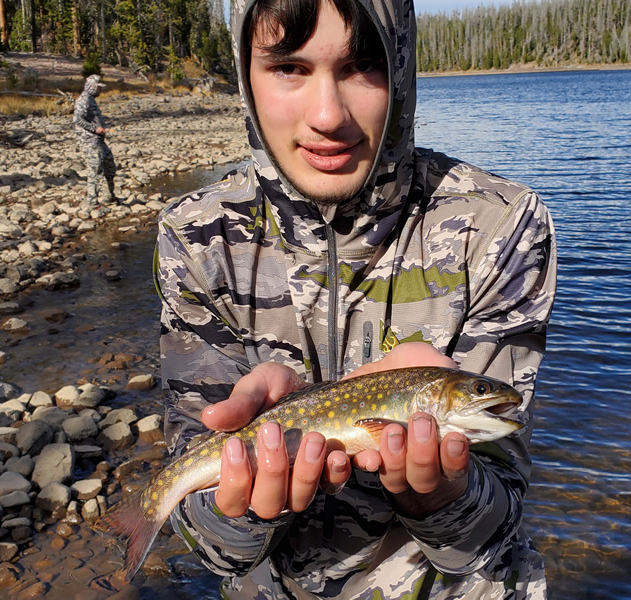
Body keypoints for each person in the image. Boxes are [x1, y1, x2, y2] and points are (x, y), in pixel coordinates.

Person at [155, 0, 556, 598]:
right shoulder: (194, 237)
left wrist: (446, 490)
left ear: (402, 70)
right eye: (289, 67)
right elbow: (213, 550)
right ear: (245, 76)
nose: (327, 115)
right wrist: (240, 513)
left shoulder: (500, 226)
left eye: (362, 65)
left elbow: (494, 526)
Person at [73, 74, 117, 206]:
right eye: (99, 88)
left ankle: (109, 196)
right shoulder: (83, 100)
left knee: (110, 165)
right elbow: (78, 119)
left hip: (98, 140)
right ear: (92, 87)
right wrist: (95, 129)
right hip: (89, 141)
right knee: (95, 169)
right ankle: (92, 202)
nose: (101, 90)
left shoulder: (91, 99)